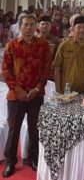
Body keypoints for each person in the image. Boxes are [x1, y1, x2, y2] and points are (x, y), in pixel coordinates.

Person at [2, 14, 51, 178]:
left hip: (36, 94)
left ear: (36, 26)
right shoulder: (12, 45)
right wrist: (19, 90)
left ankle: (33, 158)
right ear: (20, 27)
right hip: (16, 95)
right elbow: (6, 71)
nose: (28, 28)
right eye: (25, 25)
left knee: (35, 128)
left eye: (31, 25)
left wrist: (37, 89)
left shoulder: (43, 46)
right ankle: (10, 162)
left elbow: (46, 69)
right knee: (13, 129)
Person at [53, 16, 84, 94]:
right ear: (73, 29)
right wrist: (58, 90)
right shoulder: (64, 46)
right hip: (67, 92)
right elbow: (57, 69)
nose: (82, 30)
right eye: (79, 27)